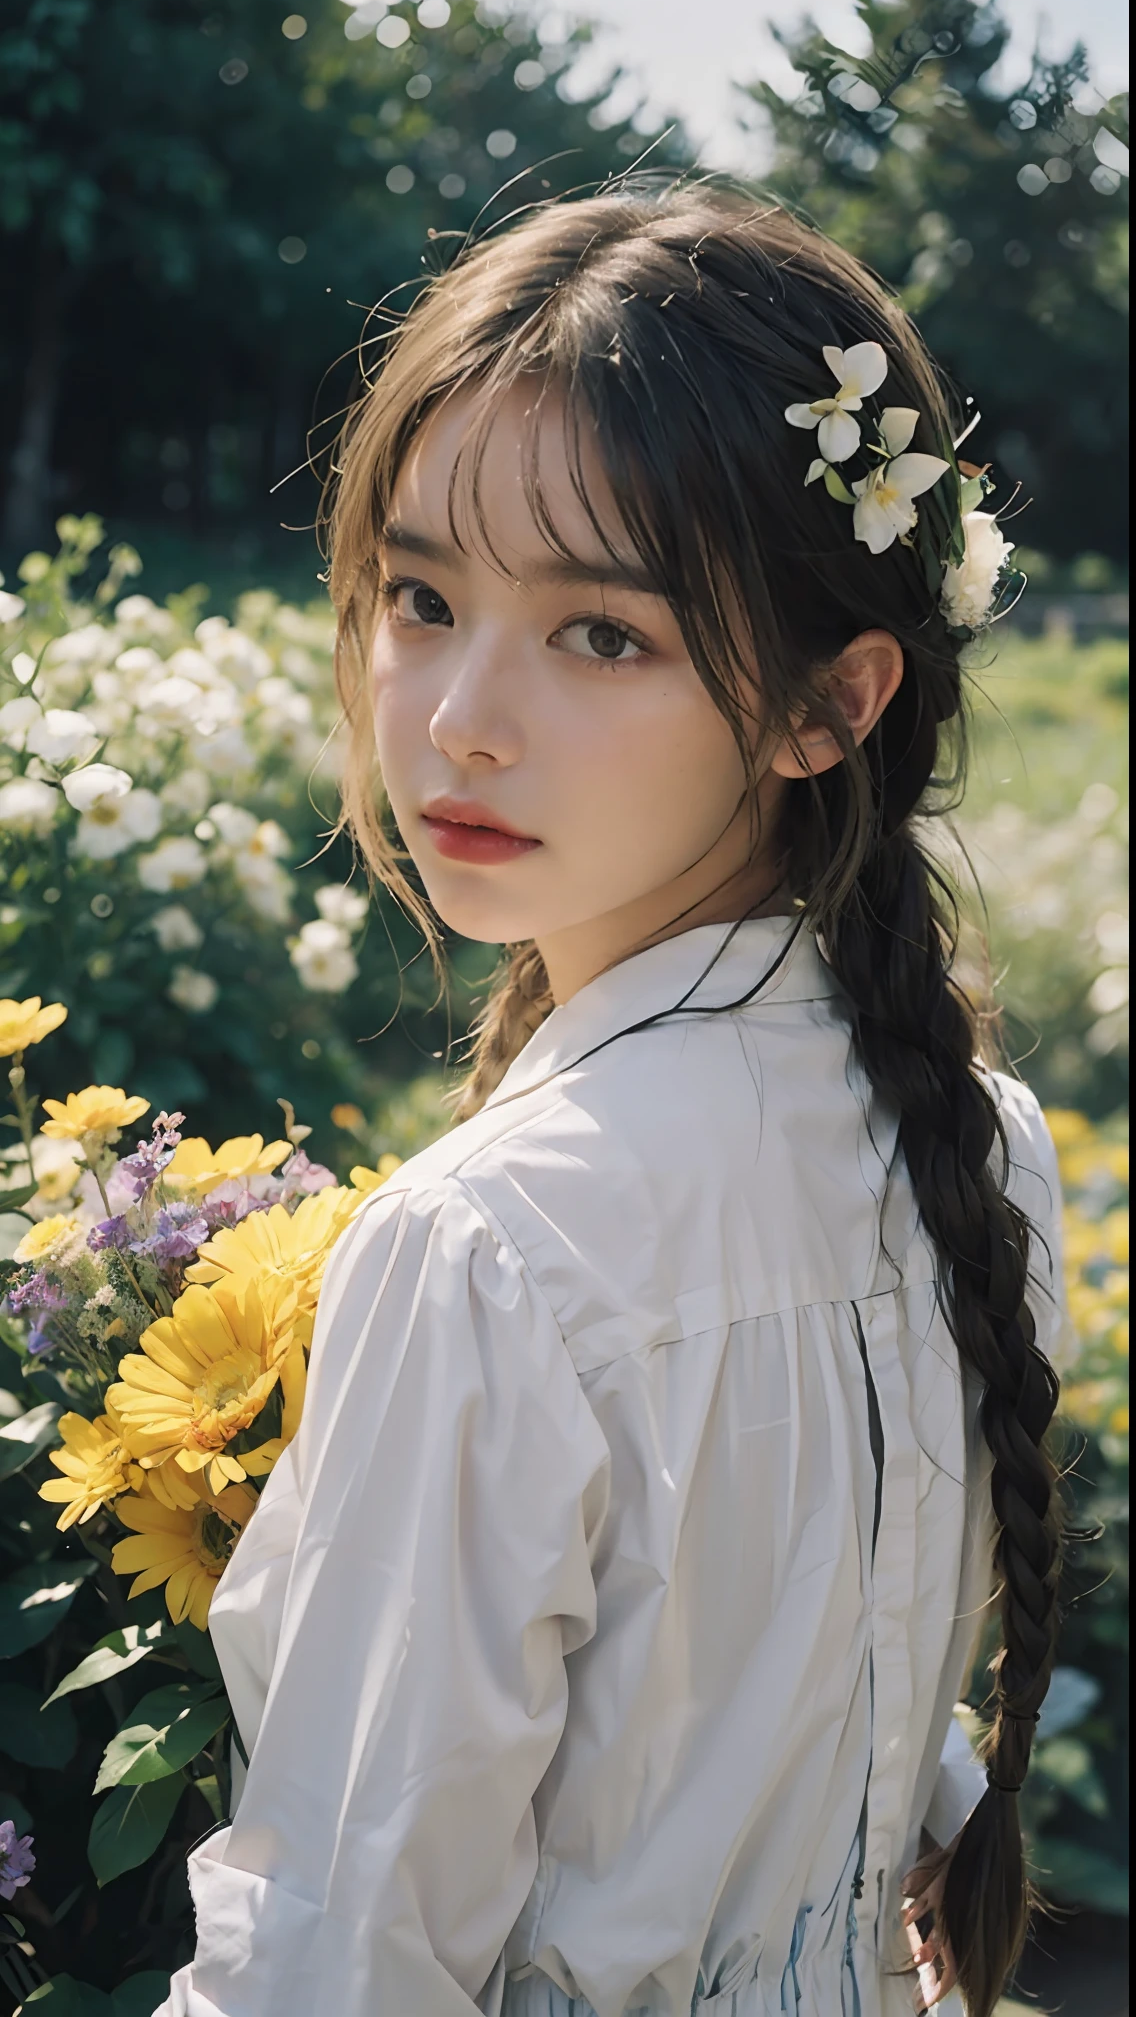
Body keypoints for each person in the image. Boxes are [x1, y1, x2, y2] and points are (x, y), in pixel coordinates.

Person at [157, 186, 1065, 2017]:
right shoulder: (992, 1143)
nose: (458, 720)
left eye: (600, 637)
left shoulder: (488, 1250)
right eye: (420, 598)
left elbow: (338, 1970)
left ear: (832, 705)